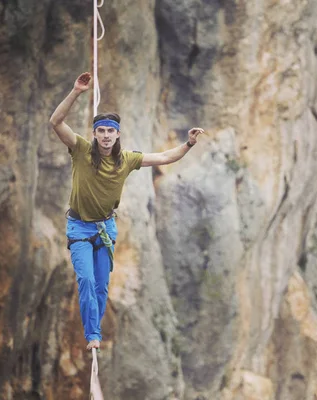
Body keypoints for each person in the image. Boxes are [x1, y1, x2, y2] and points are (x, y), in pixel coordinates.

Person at [49, 72, 204, 351]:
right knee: (85, 280)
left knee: (101, 286)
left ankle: (96, 332)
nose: (106, 136)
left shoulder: (127, 159)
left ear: (117, 134)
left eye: (110, 131)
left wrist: (189, 143)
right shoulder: (81, 150)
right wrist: (75, 92)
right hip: (80, 227)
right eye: (101, 131)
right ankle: (92, 335)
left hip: (106, 228)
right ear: (94, 134)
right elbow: (56, 122)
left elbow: (166, 157)